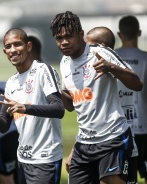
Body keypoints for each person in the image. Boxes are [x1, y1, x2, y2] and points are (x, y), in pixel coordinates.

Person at [50, 11, 143, 184]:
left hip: (112, 137)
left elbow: (137, 84)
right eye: (59, 38)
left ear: (80, 34)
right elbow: (70, 105)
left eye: (68, 36)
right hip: (84, 143)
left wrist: (111, 68)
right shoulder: (64, 63)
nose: (64, 42)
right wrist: (53, 90)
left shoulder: (100, 53)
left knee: (109, 179)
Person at [0, 28, 65, 184]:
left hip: (45, 159)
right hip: (23, 159)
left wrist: (25, 108)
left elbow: (59, 109)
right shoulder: (11, 82)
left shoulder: (42, 70)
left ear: (28, 46)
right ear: (4, 51)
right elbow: (4, 126)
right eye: (8, 46)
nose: (13, 50)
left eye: (17, 44)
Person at [84, 26, 138, 184]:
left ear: (101, 47)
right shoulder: (125, 70)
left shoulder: (111, 75)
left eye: (90, 45)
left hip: (118, 143)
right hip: (119, 143)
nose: (86, 51)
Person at [115, 15, 147, 184]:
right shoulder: (145, 58)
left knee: (124, 178)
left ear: (120, 34)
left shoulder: (110, 59)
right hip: (144, 128)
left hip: (119, 129)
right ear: (139, 32)